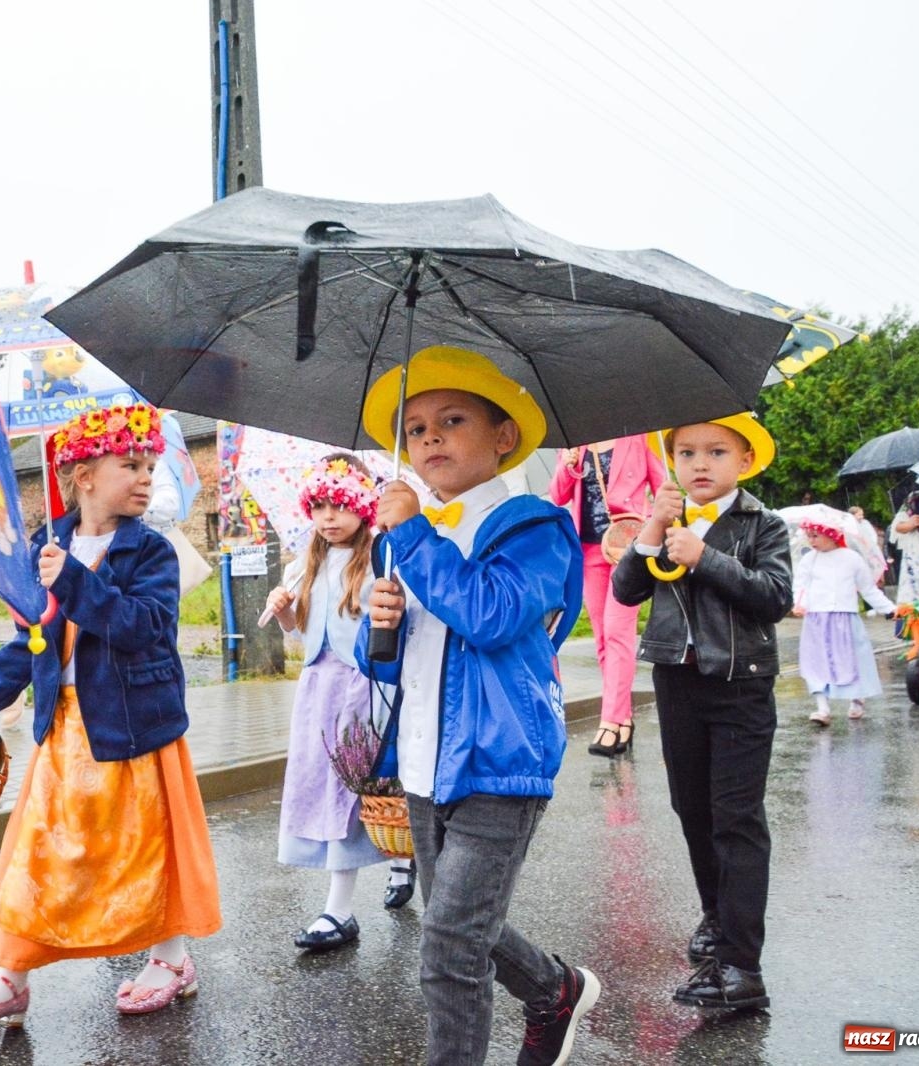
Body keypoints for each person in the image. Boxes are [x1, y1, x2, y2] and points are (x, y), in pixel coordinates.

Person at [0, 402, 221, 1027]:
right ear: (85, 475)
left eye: (151, 465)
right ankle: (10, 978)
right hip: (64, 731)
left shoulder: (152, 552)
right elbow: (31, 641)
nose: (148, 477)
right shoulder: (50, 546)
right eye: (132, 464)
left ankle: (171, 959)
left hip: (133, 729)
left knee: (143, 853)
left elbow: (143, 628)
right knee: (38, 855)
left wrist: (73, 580)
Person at [355, 346, 595, 1066]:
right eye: (416, 427)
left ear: (502, 437)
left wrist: (412, 535)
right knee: (463, 926)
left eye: (451, 419)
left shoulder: (532, 527)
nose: (428, 437)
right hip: (425, 761)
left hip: (499, 760)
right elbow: (387, 665)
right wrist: (382, 624)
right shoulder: (412, 536)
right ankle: (555, 990)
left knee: (449, 948)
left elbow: (490, 615)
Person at [612, 412, 792, 1012]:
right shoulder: (672, 521)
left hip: (741, 686)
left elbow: (773, 597)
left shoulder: (762, 523)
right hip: (678, 680)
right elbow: (626, 590)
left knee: (735, 818)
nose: (700, 464)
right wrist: (655, 529)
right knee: (691, 808)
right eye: (686, 453)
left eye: (716, 452)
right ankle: (716, 919)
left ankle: (743, 967)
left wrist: (704, 557)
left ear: (744, 461)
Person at [264, 454, 384, 950]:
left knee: (357, 789)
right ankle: (398, 864)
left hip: (361, 688)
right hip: (316, 689)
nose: (328, 517)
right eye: (318, 506)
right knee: (323, 785)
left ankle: (341, 908)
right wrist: (286, 612)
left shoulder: (381, 557)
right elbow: (300, 636)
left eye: (339, 505)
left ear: (362, 506)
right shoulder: (301, 565)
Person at [549, 436, 664, 758]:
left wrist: (651, 530)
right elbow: (558, 496)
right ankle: (623, 718)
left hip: (628, 548)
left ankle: (610, 720)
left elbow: (662, 488)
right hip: (589, 551)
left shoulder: (640, 438)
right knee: (602, 637)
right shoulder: (573, 444)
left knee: (617, 632)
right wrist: (568, 465)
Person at [793, 519, 896, 725]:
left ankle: (857, 697)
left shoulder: (852, 559)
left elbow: (868, 589)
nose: (811, 541)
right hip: (816, 618)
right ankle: (822, 708)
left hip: (844, 617)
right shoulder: (809, 560)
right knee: (816, 661)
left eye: (815, 536)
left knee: (851, 659)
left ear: (831, 534)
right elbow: (800, 585)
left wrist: (890, 608)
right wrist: (800, 603)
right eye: (808, 536)